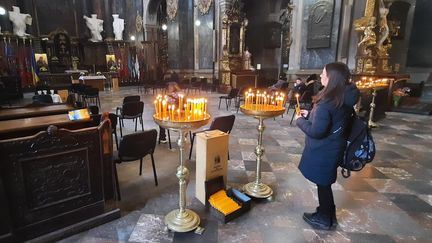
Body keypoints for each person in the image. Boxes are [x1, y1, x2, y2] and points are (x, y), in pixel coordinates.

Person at [294, 62, 360, 230]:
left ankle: (324, 218)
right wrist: (310, 114)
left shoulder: (327, 102)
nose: (321, 76)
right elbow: (333, 120)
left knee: (323, 184)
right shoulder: (342, 97)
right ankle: (327, 213)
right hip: (334, 147)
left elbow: (317, 131)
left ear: (332, 78)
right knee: (324, 184)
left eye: (323, 74)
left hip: (324, 149)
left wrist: (300, 121)